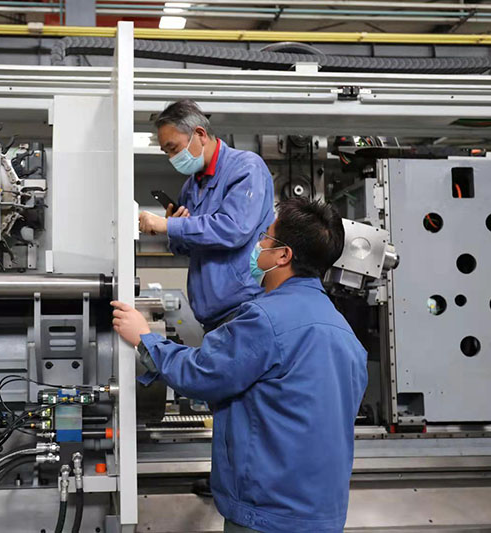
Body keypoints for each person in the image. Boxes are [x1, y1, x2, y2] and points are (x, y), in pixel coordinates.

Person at [112, 197, 368, 533]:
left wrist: (145, 339)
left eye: (265, 237)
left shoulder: (264, 319)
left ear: (283, 255)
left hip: (267, 515)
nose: (257, 245)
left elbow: (200, 373)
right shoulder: (345, 333)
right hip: (324, 514)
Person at [138, 99, 274, 332]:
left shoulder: (246, 168)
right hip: (211, 314)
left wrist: (169, 226)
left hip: (244, 306)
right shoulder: (191, 186)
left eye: (174, 148)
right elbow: (188, 248)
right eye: (166, 152)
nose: (172, 158)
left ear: (200, 134)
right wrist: (175, 229)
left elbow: (233, 230)